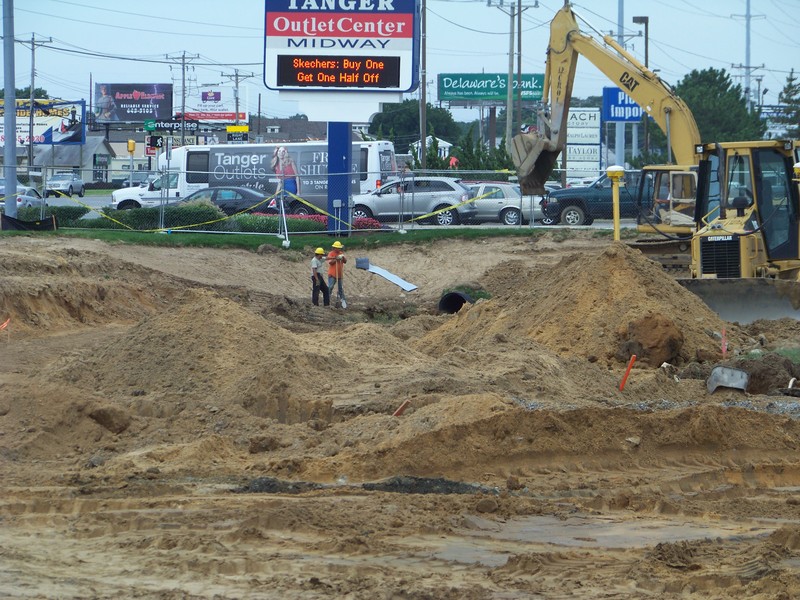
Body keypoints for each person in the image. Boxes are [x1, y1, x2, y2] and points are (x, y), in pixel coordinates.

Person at [327, 240, 347, 309]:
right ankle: (327, 300)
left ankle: (342, 301)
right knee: (330, 287)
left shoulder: (341, 253)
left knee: (340, 288)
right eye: (337, 248)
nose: (338, 249)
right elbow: (330, 262)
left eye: (339, 248)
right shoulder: (331, 254)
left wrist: (343, 257)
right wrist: (336, 259)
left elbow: (345, 261)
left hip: (340, 274)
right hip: (332, 274)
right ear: (334, 248)